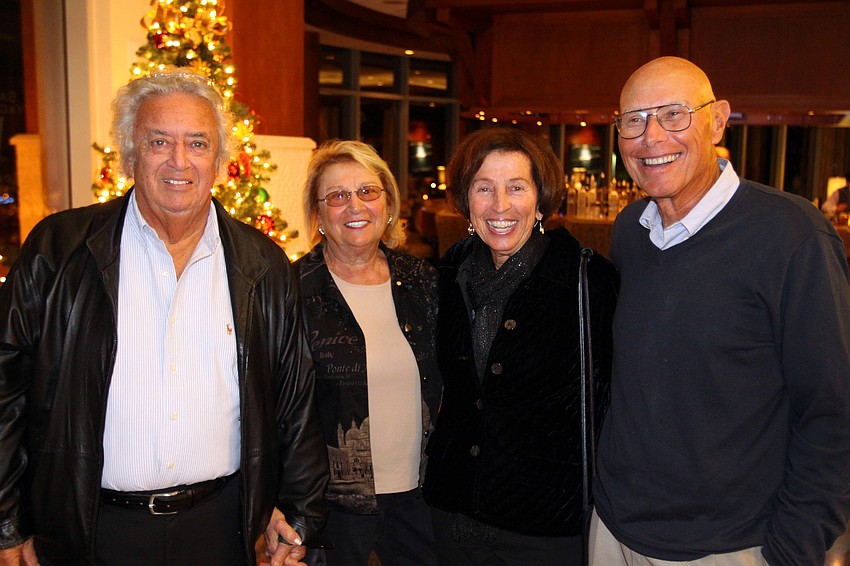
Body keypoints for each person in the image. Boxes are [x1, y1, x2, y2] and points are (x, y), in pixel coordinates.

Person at [0, 67, 328, 566]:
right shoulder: (58, 251)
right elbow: (5, 390)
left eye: (198, 143)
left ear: (220, 158)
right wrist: (6, 522)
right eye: (159, 141)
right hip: (89, 532)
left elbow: (295, 401)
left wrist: (298, 514)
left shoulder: (264, 265)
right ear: (131, 153)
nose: (180, 161)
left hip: (222, 530)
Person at [591, 56, 850, 566]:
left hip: (728, 546)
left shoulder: (792, 236)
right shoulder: (630, 231)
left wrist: (793, 550)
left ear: (717, 119)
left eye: (673, 114)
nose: (651, 137)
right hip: (612, 529)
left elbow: (833, 411)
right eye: (634, 120)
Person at [422, 127, 619, 564]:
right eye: (484, 188)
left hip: (545, 527)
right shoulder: (452, 271)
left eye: (516, 187)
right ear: (466, 200)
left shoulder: (588, 283)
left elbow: (613, 403)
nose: (500, 206)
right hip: (456, 513)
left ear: (541, 197)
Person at [295, 140, 441, 566]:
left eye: (367, 192)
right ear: (319, 215)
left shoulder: (425, 282)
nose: (354, 206)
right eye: (337, 196)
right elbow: (278, 409)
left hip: (422, 497)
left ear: (388, 203)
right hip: (334, 507)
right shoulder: (292, 292)